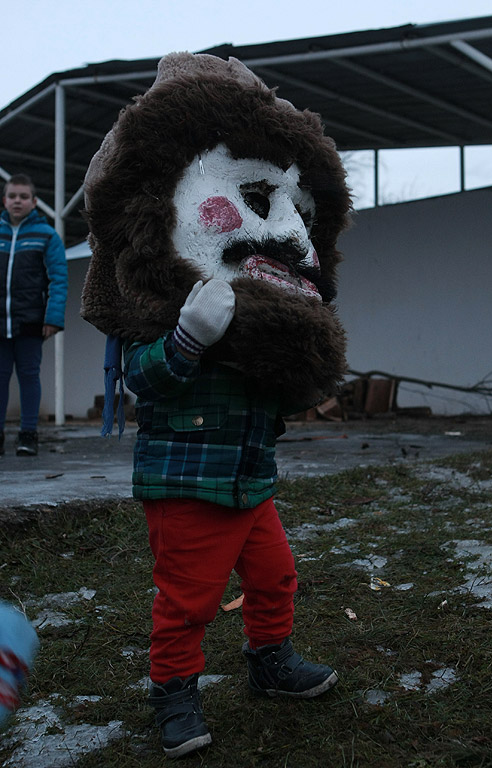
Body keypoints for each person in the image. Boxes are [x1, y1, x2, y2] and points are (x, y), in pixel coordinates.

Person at [81, 52, 352, 759]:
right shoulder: (170, 324)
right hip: (186, 488)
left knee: (276, 575)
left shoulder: (261, 331)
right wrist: (186, 344)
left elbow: (274, 404)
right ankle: (174, 693)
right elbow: (141, 381)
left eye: (305, 216)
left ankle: (271, 662)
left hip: (250, 485)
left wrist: (301, 371)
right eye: (259, 194)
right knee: (188, 601)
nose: (296, 238)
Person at [0, 174, 68, 456]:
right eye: (12, 196)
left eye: (23, 196)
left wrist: (52, 318)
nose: (17, 201)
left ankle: (28, 435)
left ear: (34, 201)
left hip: (31, 321)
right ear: (4, 200)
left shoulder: (47, 236)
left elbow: (59, 279)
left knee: (29, 376)